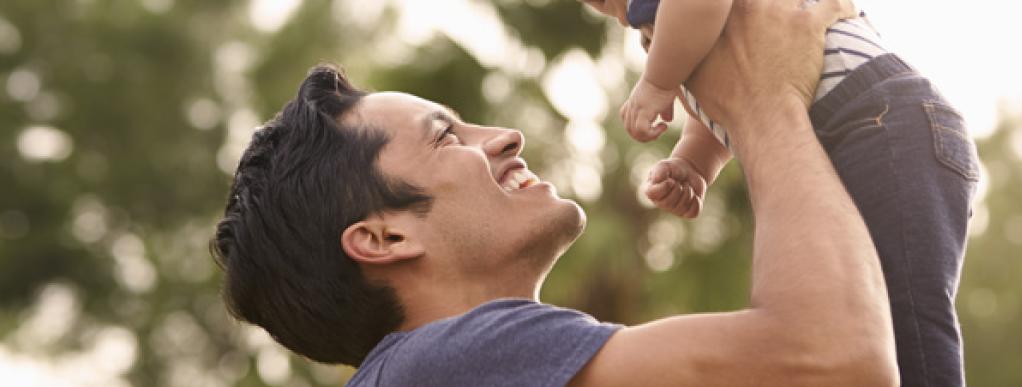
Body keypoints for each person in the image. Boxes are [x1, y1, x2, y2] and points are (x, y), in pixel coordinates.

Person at [210, 0, 898, 385]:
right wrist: (765, 101)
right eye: (447, 136)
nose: (505, 136)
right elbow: (834, 361)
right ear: (384, 237)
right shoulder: (450, 363)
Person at [581, 0, 980, 385]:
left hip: (878, 120)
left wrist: (656, 82)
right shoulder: (669, 33)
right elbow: (724, 88)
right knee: (848, 316)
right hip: (852, 133)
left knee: (903, 310)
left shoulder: (669, 20)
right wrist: (693, 163)